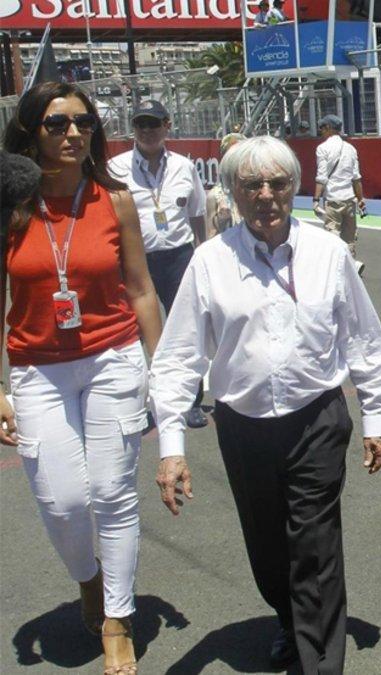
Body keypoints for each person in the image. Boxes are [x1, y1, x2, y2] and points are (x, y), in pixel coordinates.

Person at [151, 136, 381, 674]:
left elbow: (363, 340)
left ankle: (320, 663)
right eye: (251, 185)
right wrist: (171, 446)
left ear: (294, 188)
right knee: (267, 549)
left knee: (315, 548)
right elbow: (178, 358)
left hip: (316, 419)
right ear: (232, 191)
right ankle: (289, 618)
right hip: (243, 425)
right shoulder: (210, 261)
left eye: (278, 184)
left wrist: (377, 415)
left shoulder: (329, 252)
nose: (266, 195)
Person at [1, 81, 164, 675]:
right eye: (56, 123)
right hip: (37, 369)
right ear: (30, 132)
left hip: (112, 357)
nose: (73, 133)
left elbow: (142, 290)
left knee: (113, 493)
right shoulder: (9, 202)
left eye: (83, 122)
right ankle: (88, 578)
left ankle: (118, 618)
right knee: (64, 500)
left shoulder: (115, 198)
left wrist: (164, 371)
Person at [109, 99, 208, 429]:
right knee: (132, 334)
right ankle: (136, 402)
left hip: (179, 257)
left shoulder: (184, 166)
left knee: (185, 332)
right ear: (133, 129)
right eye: (141, 124)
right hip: (135, 262)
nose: (148, 131)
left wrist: (204, 255)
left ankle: (191, 400)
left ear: (168, 125)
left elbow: (196, 215)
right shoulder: (116, 168)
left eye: (154, 123)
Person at [313, 114, 366, 275]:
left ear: (329, 128)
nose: (320, 131)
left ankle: (338, 269)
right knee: (349, 238)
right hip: (350, 199)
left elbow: (321, 177)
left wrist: (316, 199)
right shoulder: (350, 148)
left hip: (333, 199)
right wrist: (361, 199)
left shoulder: (323, 148)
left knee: (332, 236)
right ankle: (352, 266)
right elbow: (356, 177)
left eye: (322, 127)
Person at [204, 132, 244, 239]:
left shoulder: (256, 189)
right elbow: (210, 237)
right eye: (231, 156)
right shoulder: (215, 196)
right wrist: (221, 219)